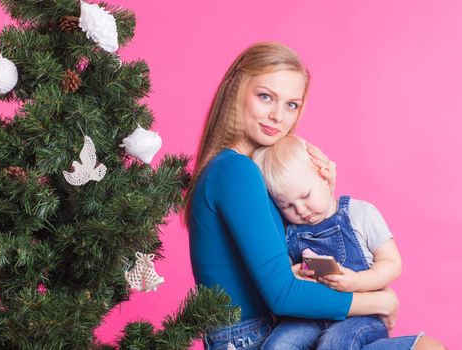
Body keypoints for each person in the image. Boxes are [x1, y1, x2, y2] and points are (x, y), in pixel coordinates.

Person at [185, 41, 445, 350]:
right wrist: (380, 301)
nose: (277, 116)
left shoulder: (243, 172)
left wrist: (326, 197)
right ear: (236, 90)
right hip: (253, 339)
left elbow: (287, 252)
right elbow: (283, 294)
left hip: (273, 330)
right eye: (265, 97)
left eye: (291, 105)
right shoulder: (235, 171)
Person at [252, 133, 412, 349]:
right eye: (287, 206)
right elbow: (283, 278)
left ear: (324, 176)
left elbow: (392, 263)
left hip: (361, 315)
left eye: (305, 196)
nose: (300, 210)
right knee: (278, 345)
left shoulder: (360, 214)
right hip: (311, 313)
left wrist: (359, 281)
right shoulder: (289, 231)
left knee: (334, 343)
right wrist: (296, 274)